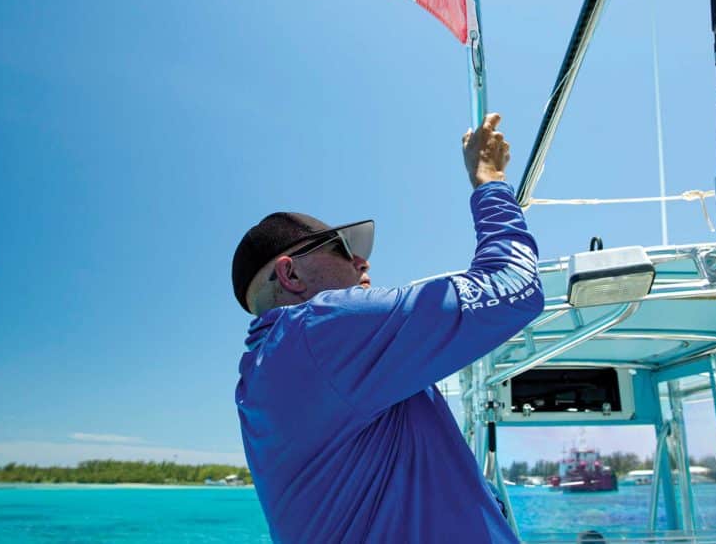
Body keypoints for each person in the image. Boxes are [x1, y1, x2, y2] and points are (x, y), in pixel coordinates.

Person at [233, 114, 544, 542]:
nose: (364, 262)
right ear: (290, 275)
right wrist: (490, 183)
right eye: (345, 248)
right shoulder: (320, 331)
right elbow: (513, 287)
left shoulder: (266, 375)